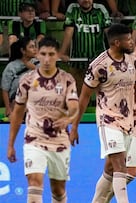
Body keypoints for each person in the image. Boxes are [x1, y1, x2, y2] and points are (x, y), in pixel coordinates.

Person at [70, 23, 136, 203]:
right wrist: (75, 126)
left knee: (110, 169)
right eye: (128, 39)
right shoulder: (99, 66)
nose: (132, 42)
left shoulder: (133, 62)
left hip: (128, 122)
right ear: (116, 42)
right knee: (120, 165)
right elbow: (84, 97)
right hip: (107, 120)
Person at [7, 36, 79, 203]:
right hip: (34, 138)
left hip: (59, 141)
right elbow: (17, 113)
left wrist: (68, 119)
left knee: (58, 190)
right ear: (37, 55)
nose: (47, 59)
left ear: (58, 55)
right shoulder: (27, 81)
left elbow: (74, 106)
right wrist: (11, 144)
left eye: (51, 54)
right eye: (43, 54)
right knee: (34, 183)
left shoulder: (67, 80)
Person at [59, 0, 112, 95]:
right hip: (77, 60)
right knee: (77, 93)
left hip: (99, 60)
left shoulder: (100, 9)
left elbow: (109, 33)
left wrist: (113, 54)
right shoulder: (73, 8)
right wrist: (62, 53)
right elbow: (69, 31)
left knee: (102, 94)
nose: (86, 0)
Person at [1, 37, 38, 118]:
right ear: (23, 50)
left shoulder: (39, 64)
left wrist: (34, 68)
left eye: (35, 46)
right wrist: (8, 109)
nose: (35, 49)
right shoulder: (11, 66)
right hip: (17, 101)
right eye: (31, 47)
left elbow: (47, 81)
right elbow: (5, 89)